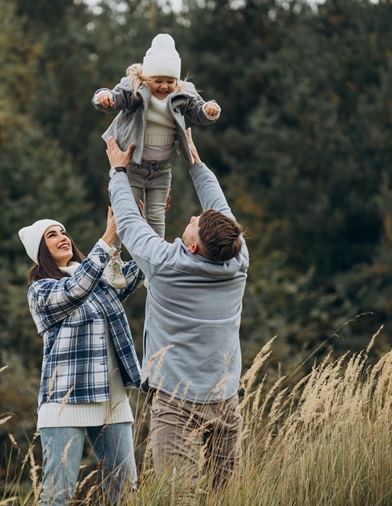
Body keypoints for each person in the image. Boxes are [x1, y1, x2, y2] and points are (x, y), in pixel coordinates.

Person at [105, 128, 248, 493]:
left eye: (194, 225)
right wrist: (195, 163)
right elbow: (221, 209)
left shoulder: (165, 264)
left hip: (176, 402)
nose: (191, 219)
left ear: (196, 248)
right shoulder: (238, 257)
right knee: (226, 495)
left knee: (175, 495)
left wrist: (118, 172)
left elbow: (129, 222)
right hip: (225, 396)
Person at [18, 209, 145, 505]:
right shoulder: (41, 290)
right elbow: (76, 290)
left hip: (112, 401)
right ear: (41, 251)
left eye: (63, 232)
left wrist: (141, 221)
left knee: (125, 493)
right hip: (64, 402)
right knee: (58, 496)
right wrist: (108, 237)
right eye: (52, 235)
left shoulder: (99, 279)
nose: (62, 237)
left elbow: (141, 269)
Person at [92, 33, 221, 289]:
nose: (164, 86)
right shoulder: (134, 87)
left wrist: (210, 110)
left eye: (170, 81)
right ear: (146, 77)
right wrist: (103, 96)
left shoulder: (184, 92)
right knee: (123, 213)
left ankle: (155, 267)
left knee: (155, 218)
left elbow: (199, 111)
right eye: (158, 80)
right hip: (131, 166)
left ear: (177, 80)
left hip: (161, 169)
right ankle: (113, 257)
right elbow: (114, 98)